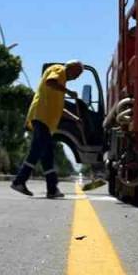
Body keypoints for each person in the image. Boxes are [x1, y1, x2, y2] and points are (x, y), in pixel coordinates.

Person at [11, 61, 85, 199]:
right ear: (71, 68)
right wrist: (68, 92)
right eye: (78, 73)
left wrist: (75, 118)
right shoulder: (59, 70)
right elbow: (50, 82)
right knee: (37, 151)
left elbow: (59, 109)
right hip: (41, 116)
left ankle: (51, 189)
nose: (77, 77)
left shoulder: (61, 83)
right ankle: (19, 181)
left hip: (45, 120)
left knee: (46, 155)